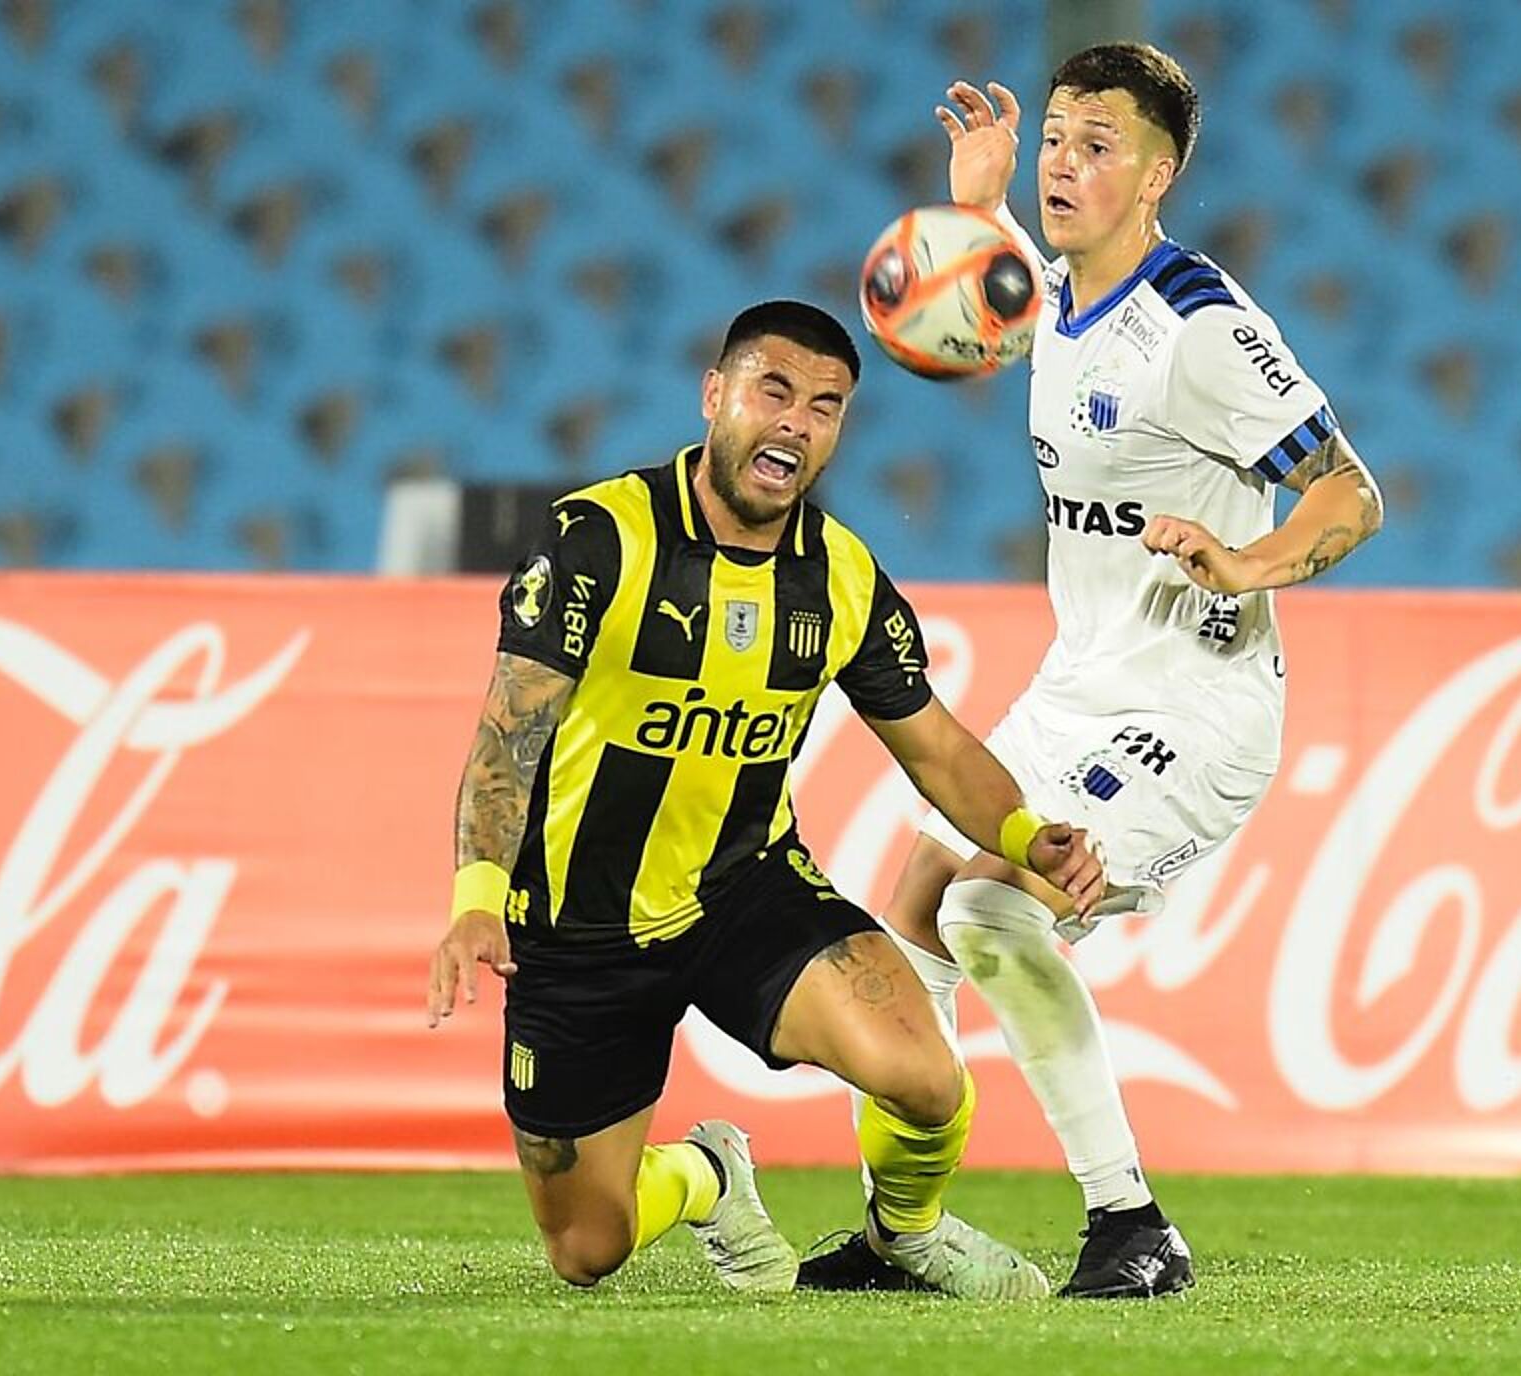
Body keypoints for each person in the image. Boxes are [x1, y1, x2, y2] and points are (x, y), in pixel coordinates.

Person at [799, 45, 1384, 1299]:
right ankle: (901, 1231)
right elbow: (1006, 303)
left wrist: (1246, 560)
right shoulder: (1047, 290)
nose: (1066, 161)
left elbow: (1351, 492)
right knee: (912, 903)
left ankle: (1130, 1225)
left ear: (1159, 173)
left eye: (1095, 144)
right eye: (1056, 137)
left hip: (1198, 698)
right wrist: (977, 203)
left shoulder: (1203, 327)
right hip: (1079, 681)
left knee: (989, 906)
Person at [425, 299, 1105, 1301]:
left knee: (926, 1078)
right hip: (576, 928)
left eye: (824, 407)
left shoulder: (839, 578)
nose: (794, 422)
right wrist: (476, 895)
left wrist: (1020, 834)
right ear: (715, 396)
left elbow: (937, 746)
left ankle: (904, 1236)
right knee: (586, 1248)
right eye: (772, 390)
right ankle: (708, 1174)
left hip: (743, 892)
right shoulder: (599, 540)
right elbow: (507, 736)